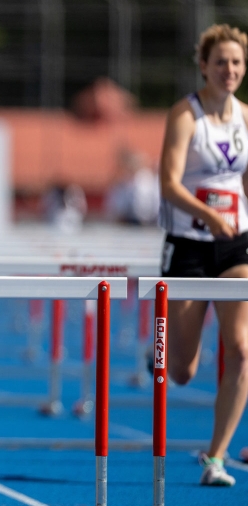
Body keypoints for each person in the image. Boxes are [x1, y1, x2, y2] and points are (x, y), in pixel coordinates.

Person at [158, 23, 248, 486]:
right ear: (204, 66)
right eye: (221, 62)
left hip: (235, 244)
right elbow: (168, 183)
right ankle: (175, 355)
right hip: (189, 245)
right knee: (181, 370)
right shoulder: (185, 115)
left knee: (240, 348)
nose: (228, 70)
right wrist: (207, 216)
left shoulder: (247, 118)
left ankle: (217, 457)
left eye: (236, 62)